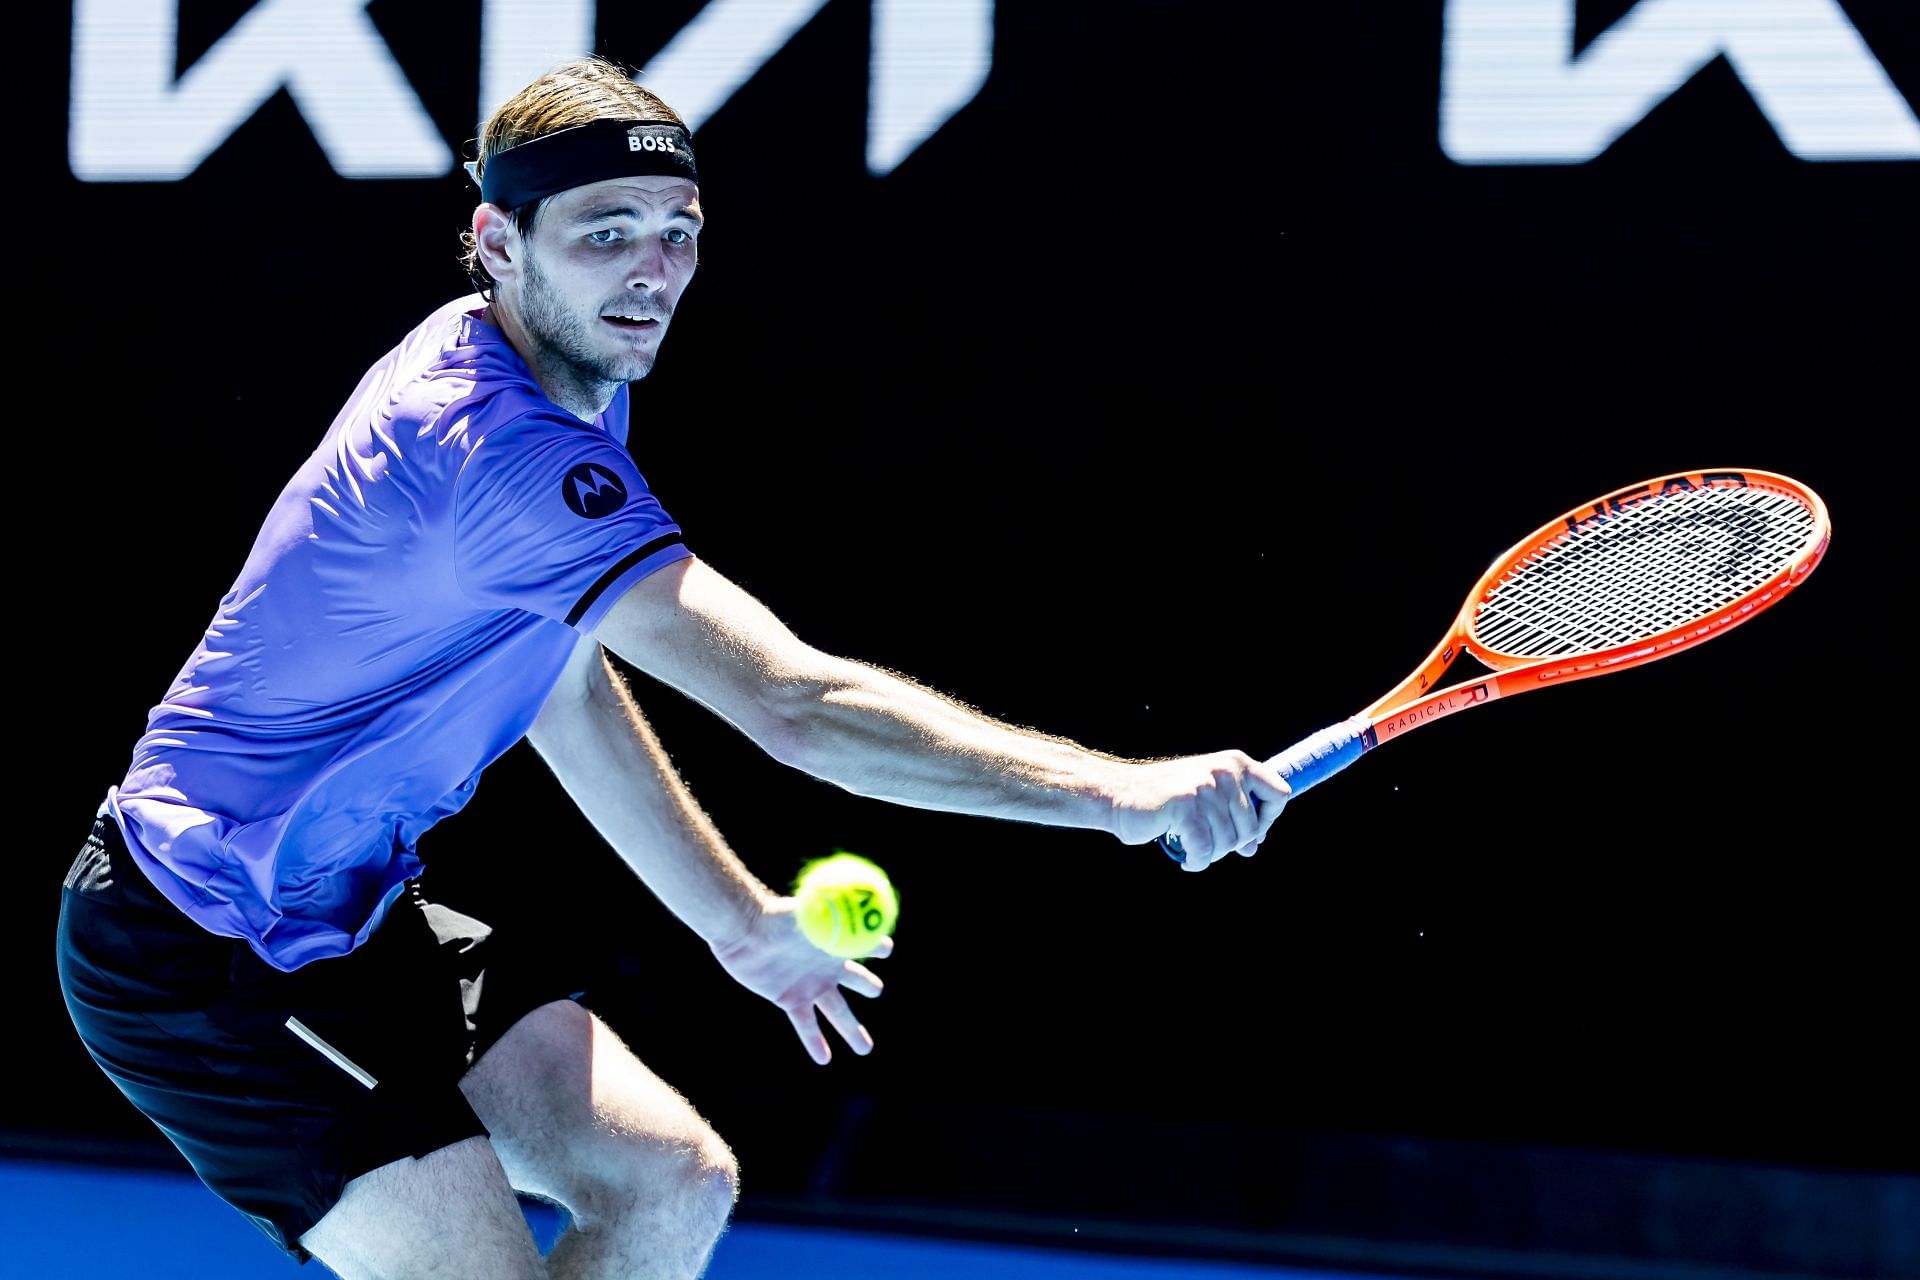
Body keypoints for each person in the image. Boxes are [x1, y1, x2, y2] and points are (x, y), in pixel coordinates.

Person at [55, 55, 1289, 1280]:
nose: (651, 273)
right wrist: (1117, 791)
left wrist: (740, 924)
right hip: (202, 946)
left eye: (676, 232)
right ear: (497, 241)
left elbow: (563, 683)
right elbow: (796, 706)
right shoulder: (496, 445)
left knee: (669, 1182)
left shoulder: (561, 371)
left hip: (353, 906)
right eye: (605, 234)